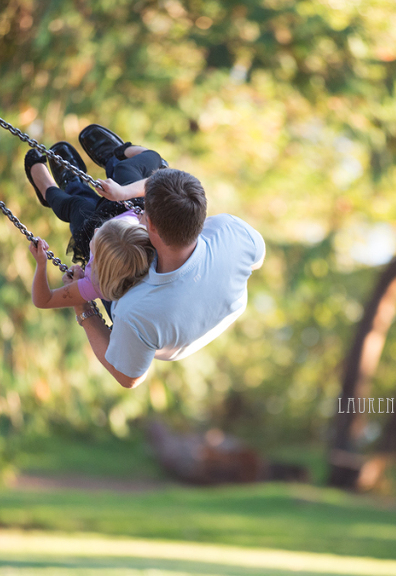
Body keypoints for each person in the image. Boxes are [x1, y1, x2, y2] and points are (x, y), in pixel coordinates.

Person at [26, 124, 265, 389]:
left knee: (82, 214)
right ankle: (119, 155)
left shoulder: (133, 309)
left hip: (159, 325)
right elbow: (257, 260)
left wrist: (83, 307)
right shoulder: (232, 232)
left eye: (143, 212)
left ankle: (66, 185)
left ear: (149, 226)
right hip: (187, 297)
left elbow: (129, 378)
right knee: (127, 179)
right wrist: (125, 193)